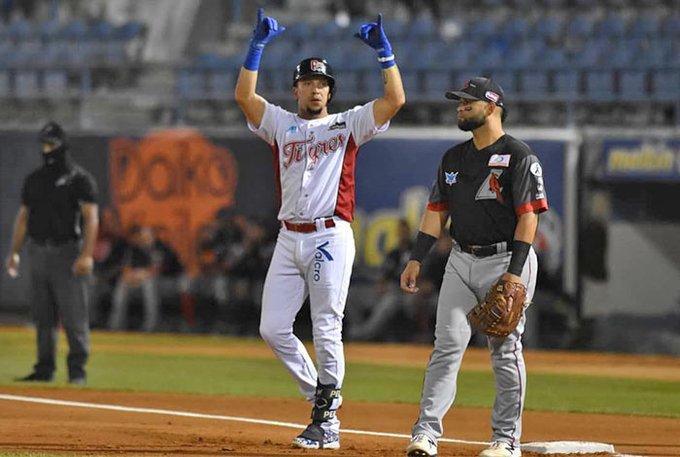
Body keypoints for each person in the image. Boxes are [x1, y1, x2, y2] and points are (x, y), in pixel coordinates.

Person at [234, 8, 405, 450]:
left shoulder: (346, 123)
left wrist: (386, 56)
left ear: (331, 91)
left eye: (323, 83)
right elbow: (245, 98)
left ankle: (326, 420)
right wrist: (256, 47)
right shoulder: (280, 123)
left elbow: (394, 102)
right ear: (296, 89)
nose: (317, 88)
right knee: (272, 328)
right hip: (289, 236)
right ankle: (322, 395)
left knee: (326, 324)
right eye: (309, 82)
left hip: (330, 233)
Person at [400, 77, 548, 457]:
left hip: (507, 260)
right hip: (461, 259)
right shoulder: (452, 158)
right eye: (459, 102)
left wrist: (515, 273)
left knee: (504, 348)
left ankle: (505, 441)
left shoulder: (519, 155)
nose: (460, 107)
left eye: (468, 101)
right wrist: (417, 257)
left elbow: (528, 219)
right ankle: (426, 434)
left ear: (492, 106)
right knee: (446, 346)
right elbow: (436, 213)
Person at [5, 121, 99, 385]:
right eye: (44, 145)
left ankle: (77, 370)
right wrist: (15, 252)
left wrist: (87, 254)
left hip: (67, 251)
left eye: (51, 145)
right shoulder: (35, 180)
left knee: (73, 314)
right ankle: (44, 369)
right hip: (38, 250)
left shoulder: (79, 179)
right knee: (43, 315)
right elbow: (23, 218)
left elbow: (91, 218)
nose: (46, 150)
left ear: (62, 146)